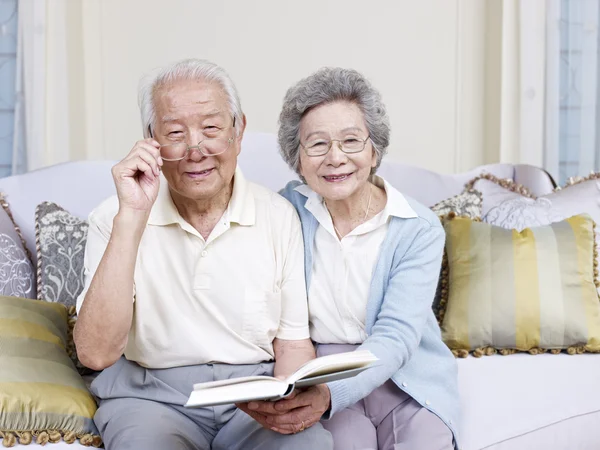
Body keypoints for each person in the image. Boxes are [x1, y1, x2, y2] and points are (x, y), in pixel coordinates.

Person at [73, 58, 333, 450]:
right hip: (149, 398)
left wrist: (288, 398)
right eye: (175, 132)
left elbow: (292, 343)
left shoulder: (278, 216)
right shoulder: (114, 216)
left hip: (252, 398)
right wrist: (132, 217)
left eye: (211, 128)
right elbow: (95, 353)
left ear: (238, 129)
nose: (195, 150)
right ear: (151, 139)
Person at [238, 68, 460, 450]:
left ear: (375, 151)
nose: (335, 158)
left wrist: (331, 394)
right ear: (298, 158)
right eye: (318, 144)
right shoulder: (282, 211)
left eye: (351, 140)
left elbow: (397, 336)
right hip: (320, 373)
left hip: (406, 376)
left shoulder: (418, 227)